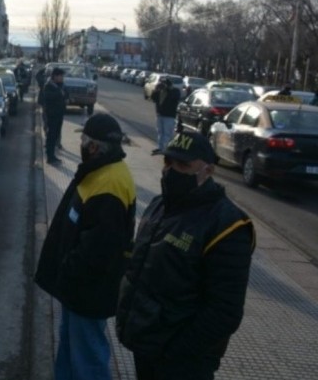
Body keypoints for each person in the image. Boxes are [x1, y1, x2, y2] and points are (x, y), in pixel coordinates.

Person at [116, 131, 255, 380]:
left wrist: (175, 353)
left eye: (182, 164)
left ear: (208, 171)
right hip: (146, 347)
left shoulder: (228, 226)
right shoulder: (160, 203)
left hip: (182, 364)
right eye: (167, 162)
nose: (170, 170)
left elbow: (225, 312)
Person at [35, 113, 136, 380]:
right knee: (71, 348)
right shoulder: (100, 170)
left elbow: (99, 249)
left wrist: (67, 270)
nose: (80, 144)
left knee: (88, 357)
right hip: (78, 288)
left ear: (94, 146)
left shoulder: (110, 183)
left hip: (87, 289)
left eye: (83, 139)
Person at [41, 67, 67, 164]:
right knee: (51, 136)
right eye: (60, 76)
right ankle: (49, 157)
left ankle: (53, 155)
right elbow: (49, 97)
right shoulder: (49, 86)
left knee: (55, 135)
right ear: (55, 76)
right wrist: (60, 94)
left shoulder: (60, 85)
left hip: (59, 114)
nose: (62, 78)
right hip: (51, 115)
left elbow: (65, 94)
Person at [150, 76, 179, 154]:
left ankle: (167, 149)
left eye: (164, 84)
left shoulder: (175, 91)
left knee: (167, 133)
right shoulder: (160, 91)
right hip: (160, 115)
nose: (162, 85)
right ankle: (160, 148)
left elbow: (174, 97)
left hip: (169, 116)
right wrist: (156, 89)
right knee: (160, 132)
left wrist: (168, 89)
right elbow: (153, 98)